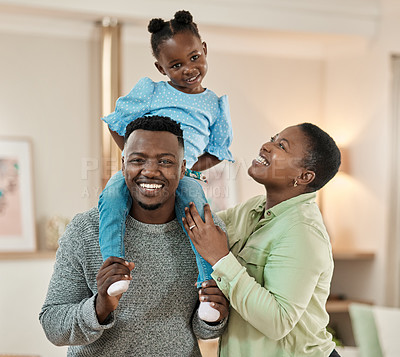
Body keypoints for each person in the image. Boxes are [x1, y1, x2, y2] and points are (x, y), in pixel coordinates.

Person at [39, 116, 229, 356]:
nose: (150, 171)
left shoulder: (208, 231)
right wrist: (100, 307)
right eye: (138, 160)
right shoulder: (85, 229)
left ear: (183, 169)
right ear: (123, 165)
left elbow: (206, 331)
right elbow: (53, 325)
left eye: (165, 161)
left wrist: (215, 316)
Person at [99, 10, 233, 322]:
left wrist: (185, 167)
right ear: (162, 68)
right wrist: (138, 163)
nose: (189, 69)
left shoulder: (214, 104)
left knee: (197, 210)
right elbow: (116, 125)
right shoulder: (152, 91)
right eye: (176, 65)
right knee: (112, 192)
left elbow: (218, 151)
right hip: (144, 171)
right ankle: (114, 265)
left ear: (205, 50)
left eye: (194, 57)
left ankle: (207, 287)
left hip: (182, 175)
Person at [183, 123, 342, 356]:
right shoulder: (253, 208)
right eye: (272, 138)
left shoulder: (303, 233)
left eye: (281, 146)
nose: (266, 146)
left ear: (304, 176)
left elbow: (278, 322)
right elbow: (199, 229)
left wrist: (220, 259)